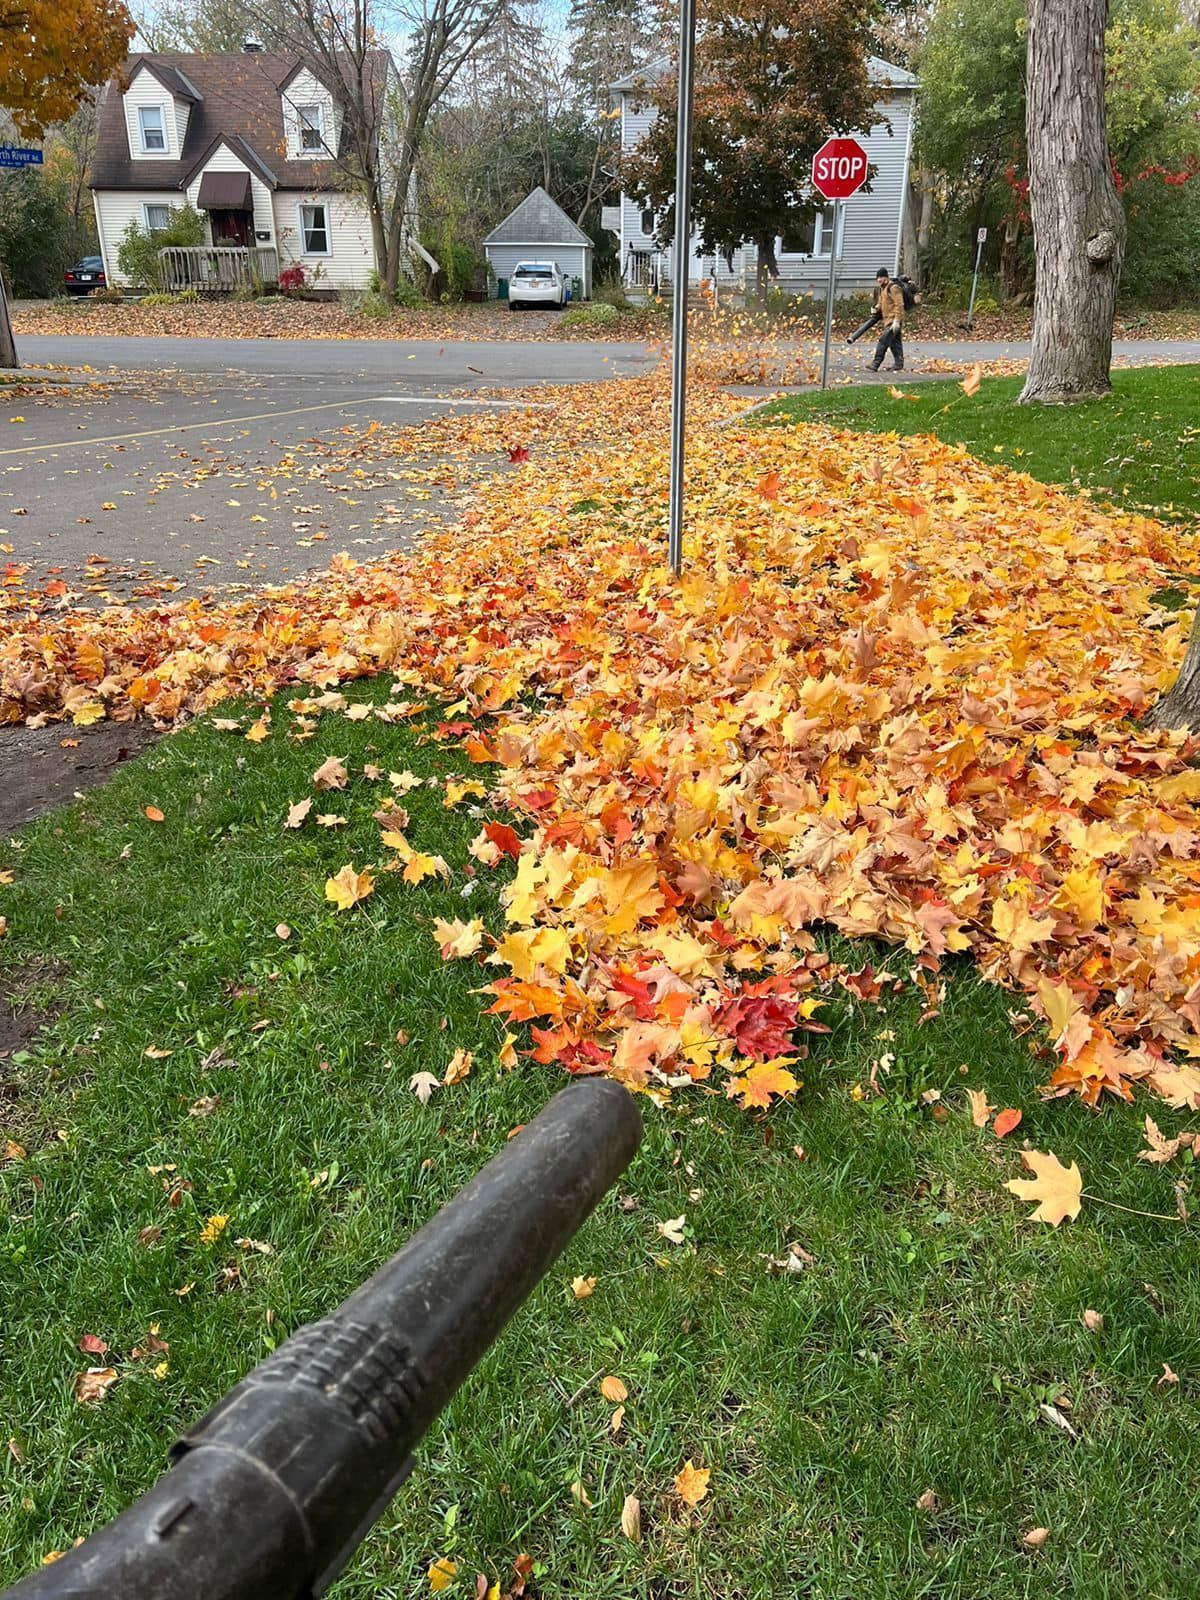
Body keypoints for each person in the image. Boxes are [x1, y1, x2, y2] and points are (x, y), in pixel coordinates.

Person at [868, 267, 907, 371]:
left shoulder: (893, 288)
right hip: (888, 320)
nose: (878, 280)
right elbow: (881, 303)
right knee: (894, 342)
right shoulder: (883, 288)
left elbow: (900, 305)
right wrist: (876, 309)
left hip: (893, 320)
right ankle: (899, 364)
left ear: (886, 277)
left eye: (880, 277)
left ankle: (875, 364)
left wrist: (897, 321)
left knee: (883, 341)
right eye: (877, 277)